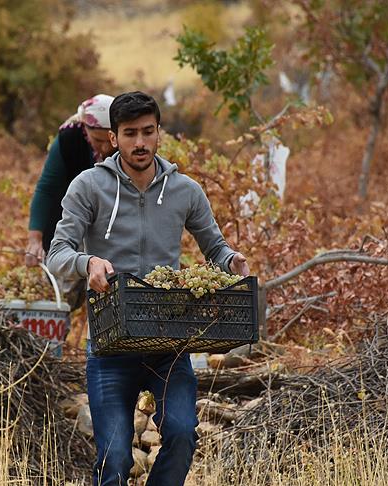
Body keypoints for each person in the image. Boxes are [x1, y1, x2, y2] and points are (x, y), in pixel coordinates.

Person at [46, 91, 249, 486]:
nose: (140, 142)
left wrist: (231, 261)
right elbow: (57, 253)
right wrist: (87, 263)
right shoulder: (89, 186)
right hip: (109, 344)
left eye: (147, 132)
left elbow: (216, 247)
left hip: (168, 344)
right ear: (112, 138)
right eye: (130, 134)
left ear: (159, 134)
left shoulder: (184, 190)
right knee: (115, 457)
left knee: (181, 433)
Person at [25, 94, 116, 307]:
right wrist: (34, 238)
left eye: (109, 140)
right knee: (66, 294)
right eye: (98, 140)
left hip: (109, 221)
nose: (104, 147)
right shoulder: (69, 139)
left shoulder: (124, 145)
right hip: (72, 216)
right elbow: (47, 188)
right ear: (86, 130)